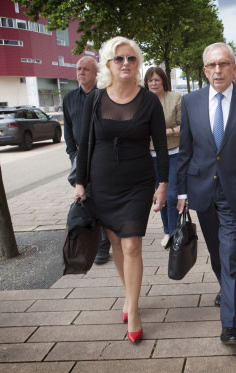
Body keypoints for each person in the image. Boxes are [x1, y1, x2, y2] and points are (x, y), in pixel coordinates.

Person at [177, 42, 236, 345]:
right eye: (212, 65)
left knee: (229, 251)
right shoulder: (190, 102)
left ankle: (230, 326)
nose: (218, 70)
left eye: (224, 64)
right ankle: (227, 288)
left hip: (235, 189)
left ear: (234, 68)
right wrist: (180, 192)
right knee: (217, 251)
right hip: (201, 189)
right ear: (205, 70)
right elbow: (185, 151)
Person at [73, 36, 169, 344]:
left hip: (138, 183)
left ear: (137, 64)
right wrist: (80, 182)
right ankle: (129, 296)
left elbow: (162, 147)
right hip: (103, 183)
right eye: (119, 59)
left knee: (131, 246)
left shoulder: (150, 100)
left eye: (131, 58)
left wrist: (163, 183)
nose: (125, 63)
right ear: (109, 65)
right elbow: (85, 144)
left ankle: (134, 307)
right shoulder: (95, 99)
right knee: (115, 243)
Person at [63, 56, 112, 265]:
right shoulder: (69, 99)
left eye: (86, 69)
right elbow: (67, 130)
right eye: (78, 69)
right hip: (79, 159)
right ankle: (95, 241)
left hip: (102, 158)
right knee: (85, 199)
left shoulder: (104, 96)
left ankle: (104, 245)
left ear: (96, 73)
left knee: (102, 200)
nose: (81, 72)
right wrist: (73, 155)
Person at [144, 67, 181, 247]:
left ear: (164, 81)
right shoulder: (142, 100)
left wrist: (167, 132)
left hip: (172, 153)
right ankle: (167, 231)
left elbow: (185, 126)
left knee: (172, 195)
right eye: (150, 80)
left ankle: (175, 233)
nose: (153, 83)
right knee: (160, 196)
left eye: (157, 80)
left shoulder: (175, 98)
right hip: (150, 157)